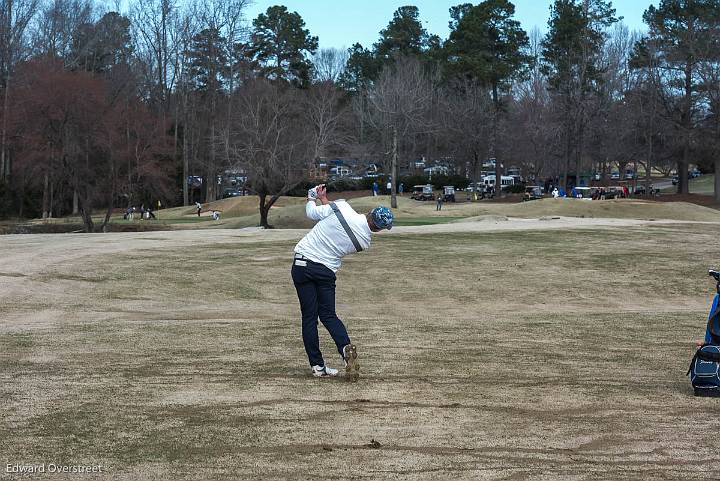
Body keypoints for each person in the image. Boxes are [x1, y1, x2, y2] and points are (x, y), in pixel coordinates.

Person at [292, 184, 393, 381]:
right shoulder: (364, 242)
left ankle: (317, 366)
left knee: (309, 318)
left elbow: (313, 213)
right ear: (379, 229)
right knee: (329, 315)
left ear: (370, 212)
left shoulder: (343, 207)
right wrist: (325, 200)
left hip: (303, 264)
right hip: (326, 271)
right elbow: (338, 218)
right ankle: (345, 347)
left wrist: (312, 196)